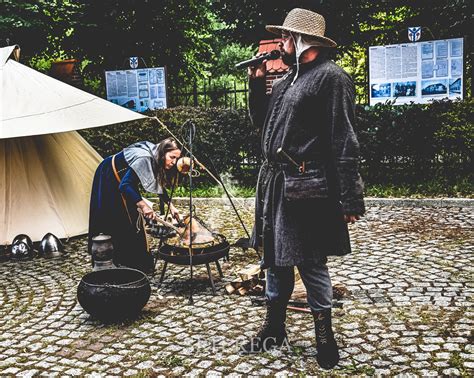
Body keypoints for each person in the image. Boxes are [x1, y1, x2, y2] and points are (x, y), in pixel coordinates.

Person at [244, 8, 365, 370]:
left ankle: (325, 338)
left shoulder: (331, 78)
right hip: (276, 185)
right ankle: (273, 329)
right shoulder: (286, 81)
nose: (279, 44)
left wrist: (349, 196)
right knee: (275, 260)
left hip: (308, 186)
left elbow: (344, 140)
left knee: (311, 264)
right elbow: (262, 125)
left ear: (301, 41)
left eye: (284, 37)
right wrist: (256, 82)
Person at [88, 138, 181, 273]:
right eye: (172, 157)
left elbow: (157, 183)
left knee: (133, 218)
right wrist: (143, 206)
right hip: (108, 175)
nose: (174, 162)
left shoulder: (155, 157)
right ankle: (117, 262)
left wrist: (171, 206)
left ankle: (137, 263)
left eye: (176, 159)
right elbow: (125, 185)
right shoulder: (145, 158)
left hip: (124, 181)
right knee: (120, 219)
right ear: (162, 153)